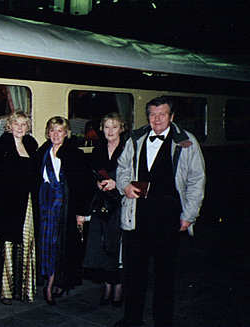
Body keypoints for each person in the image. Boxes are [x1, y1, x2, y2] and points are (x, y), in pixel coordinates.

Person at [114, 96, 205, 327]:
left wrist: (189, 215)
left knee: (165, 277)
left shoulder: (187, 142)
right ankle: (132, 320)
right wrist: (124, 185)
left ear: (172, 116)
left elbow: (197, 180)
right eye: (153, 114)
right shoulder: (135, 138)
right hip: (137, 217)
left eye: (162, 114)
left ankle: (162, 322)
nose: (157, 119)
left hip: (170, 220)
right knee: (134, 275)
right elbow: (122, 167)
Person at [35, 116, 92, 305]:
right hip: (44, 206)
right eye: (52, 130)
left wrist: (81, 213)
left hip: (65, 207)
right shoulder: (42, 151)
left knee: (59, 246)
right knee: (47, 245)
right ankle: (52, 280)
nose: (55, 134)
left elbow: (83, 186)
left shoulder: (74, 154)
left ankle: (51, 285)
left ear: (66, 133)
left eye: (59, 130)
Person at [0, 111, 39, 304]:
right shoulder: (1, 144)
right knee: (7, 245)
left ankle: (24, 289)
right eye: (16, 124)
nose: (20, 127)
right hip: (6, 202)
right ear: (9, 125)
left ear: (28, 127)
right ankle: (6, 291)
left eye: (23, 124)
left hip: (26, 201)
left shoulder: (31, 144)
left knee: (26, 243)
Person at [82, 112, 126, 307]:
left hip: (121, 202)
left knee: (118, 247)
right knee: (103, 246)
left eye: (114, 127)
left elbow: (132, 172)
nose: (110, 131)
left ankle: (118, 288)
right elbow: (92, 173)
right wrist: (98, 183)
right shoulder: (98, 148)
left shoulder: (128, 148)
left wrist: (116, 182)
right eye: (106, 127)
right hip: (102, 202)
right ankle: (108, 286)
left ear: (121, 129)